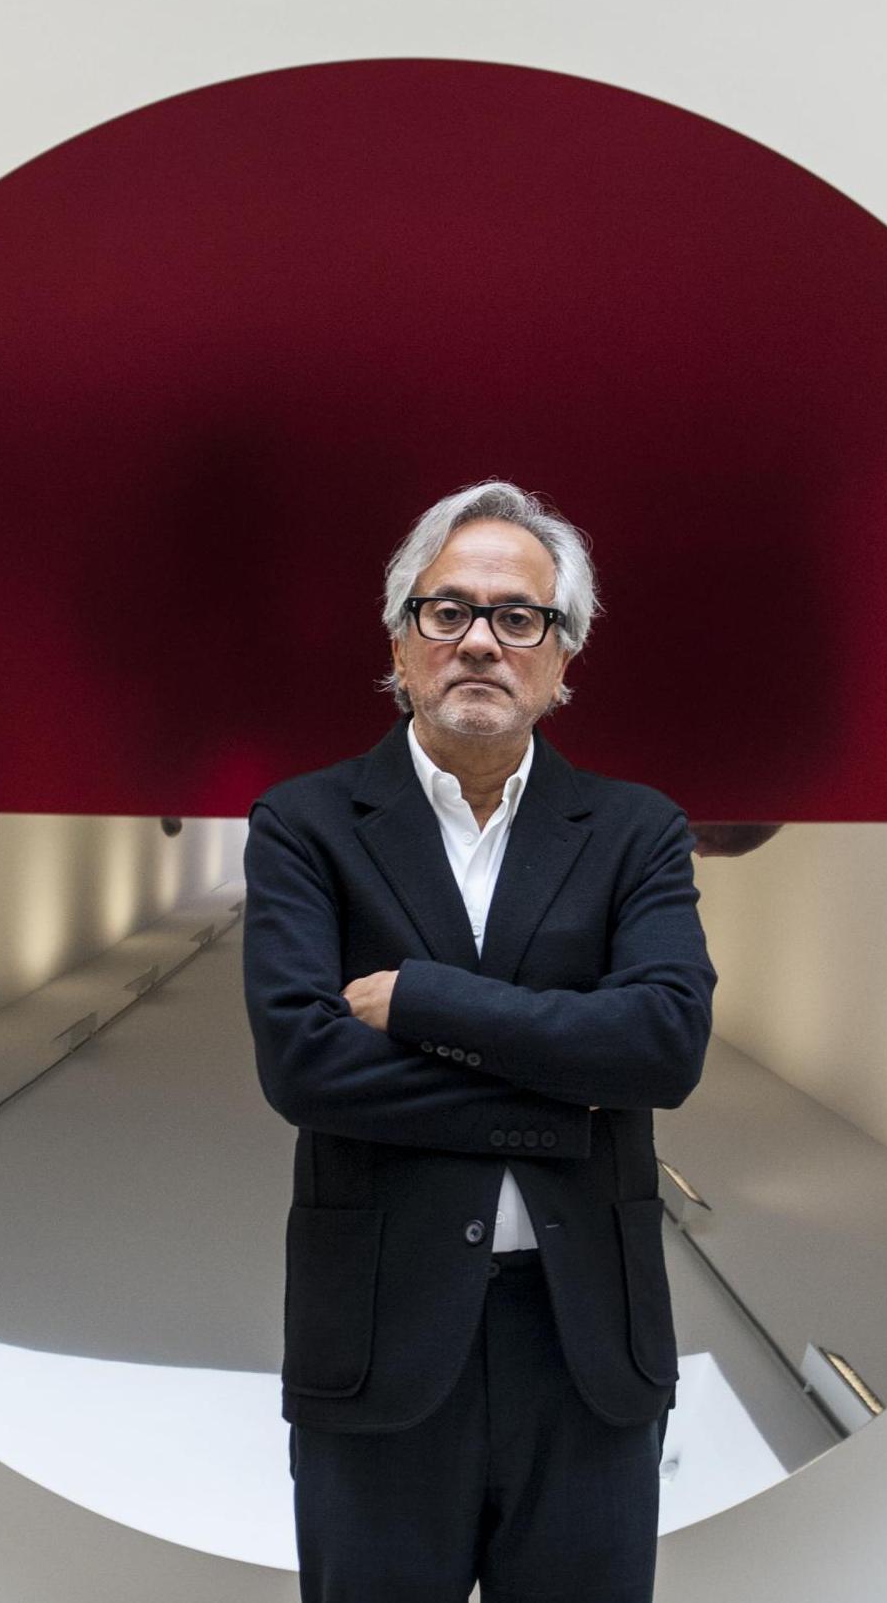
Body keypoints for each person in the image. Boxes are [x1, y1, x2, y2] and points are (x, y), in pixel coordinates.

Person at [242, 479, 717, 1602]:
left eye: (519, 617)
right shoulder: (305, 824)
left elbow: (663, 1044)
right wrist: (562, 1100)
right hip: (379, 1342)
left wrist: (424, 1002)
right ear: (400, 644)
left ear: (562, 657)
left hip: (588, 1348)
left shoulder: (637, 830)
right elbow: (305, 1064)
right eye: (447, 610)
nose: (480, 642)